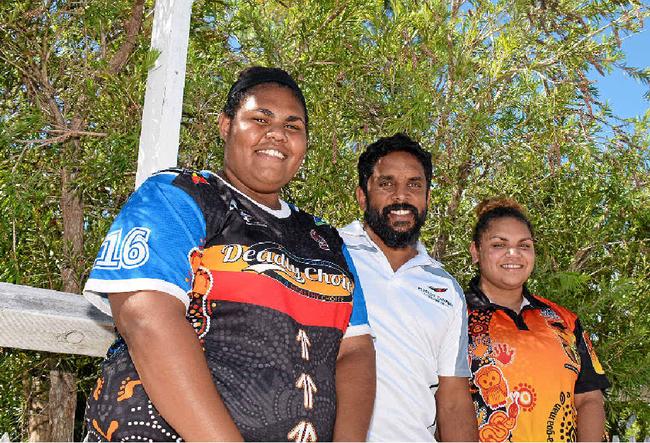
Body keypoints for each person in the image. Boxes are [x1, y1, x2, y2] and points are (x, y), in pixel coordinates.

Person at [83, 66, 375, 442]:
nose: (277, 134)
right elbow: (146, 317)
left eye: (293, 125)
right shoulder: (180, 197)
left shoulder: (326, 240)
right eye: (260, 118)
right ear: (225, 125)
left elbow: (355, 352)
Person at [338, 133, 478, 442]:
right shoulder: (329, 253)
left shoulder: (446, 287)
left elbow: (453, 399)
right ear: (362, 196)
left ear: (427, 198)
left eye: (414, 185)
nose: (401, 197)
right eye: (386, 184)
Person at [466, 198, 610, 442]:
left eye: (524, 245)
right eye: (499, 244)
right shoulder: (454, 317)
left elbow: (589, 399)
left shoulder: (565, 321)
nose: (514, 254)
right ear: (476, 252)